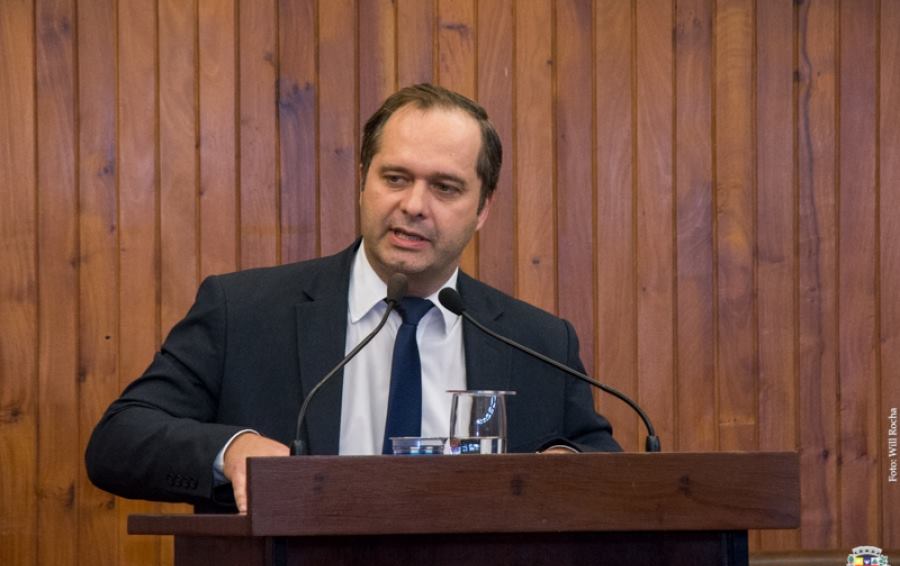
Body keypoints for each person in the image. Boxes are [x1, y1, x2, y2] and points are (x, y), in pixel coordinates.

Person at [85, 84, 620, 514]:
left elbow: (600, 457)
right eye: (395, 177)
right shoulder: (244, 312)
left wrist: (563, 465)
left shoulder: (536, 341)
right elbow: (119, 440)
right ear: (363, 181)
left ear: (483, 209)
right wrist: (232, 450)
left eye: (445, 187)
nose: (414, 205)